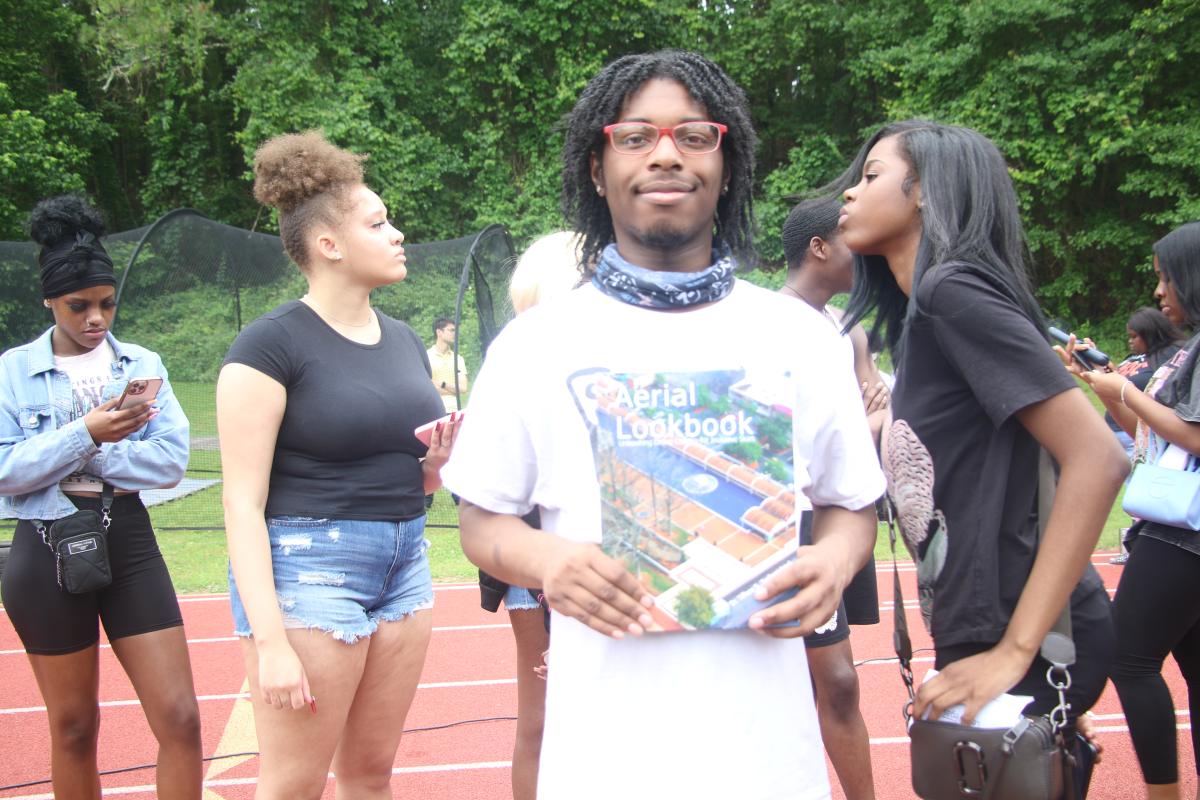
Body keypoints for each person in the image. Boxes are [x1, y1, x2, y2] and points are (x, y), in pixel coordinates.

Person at [442, 50, 885, 800]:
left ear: (727, 160)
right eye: (637, 137)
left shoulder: (801, 337)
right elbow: (482, 523)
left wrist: (837, 562)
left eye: (694, 136)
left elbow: (851, 505)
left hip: (769, 760)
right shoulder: (535, 344)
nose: (667, 156)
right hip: (602, 760)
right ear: (597, 165)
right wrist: (548, 562)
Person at [837, 120, 1127, 792]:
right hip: (990, 625)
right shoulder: (925, 315)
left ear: (926, 193)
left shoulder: (952, 292)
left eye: (871, 175)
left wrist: (1022, 654)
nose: (848, 194)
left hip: (1015, 629)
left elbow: (1097, 457)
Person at [217, 131, 454, 799]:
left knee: (370, 776)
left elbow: (411, 478)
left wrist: (433, 468)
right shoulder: (268, 345)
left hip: (405, 563)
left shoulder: (404, 340)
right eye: (379, 223)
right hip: (308, 569)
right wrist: (269, 643)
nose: (399, 234)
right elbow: (240, 503)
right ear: (330, 245)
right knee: (293, 785)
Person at [0, 195, 200, 798]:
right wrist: (84, 433)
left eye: (107, 304)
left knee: (182, 719)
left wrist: (102, 452)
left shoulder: (142, 364)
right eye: (78, 306)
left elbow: (170, 460)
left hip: (128, 538)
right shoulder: (12, 370)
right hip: (45, 546)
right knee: (74, 727)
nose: (96, 318)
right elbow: (6, 471)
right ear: (49, 301)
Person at [1060, 222, 1200, 800]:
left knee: (1130, 658)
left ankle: (1163, 793)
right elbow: (1148, 438)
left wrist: (1127, 392)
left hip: (1183, 533)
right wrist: (1104, 390)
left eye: (1166, 276)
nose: (1161, 291)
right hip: (1170, 523)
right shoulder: (1186, 351)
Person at [780, 196, 886, 800]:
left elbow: (876, 404)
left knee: (840, 683)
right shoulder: (769, 323)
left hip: (844, 516)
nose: (863, 255)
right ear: (819, 248)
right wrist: (866, 425)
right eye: (850, 241)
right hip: (794, 521)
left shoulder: (849, 328)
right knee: (829, 676)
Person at [479, 230, 584, 800]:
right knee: (541, 719)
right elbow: (487, 497)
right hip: (532, 567)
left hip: (616, 564)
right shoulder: (514, 364)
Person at [428, 317, 469, 412]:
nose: (454, 333)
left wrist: (442, 384)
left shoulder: (458, 359)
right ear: (439, 332)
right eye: (451, 330)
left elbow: (463, 388)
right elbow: (428, 387)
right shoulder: (427, 357)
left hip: (455, 411)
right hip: (435, 410)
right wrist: (453, 389)